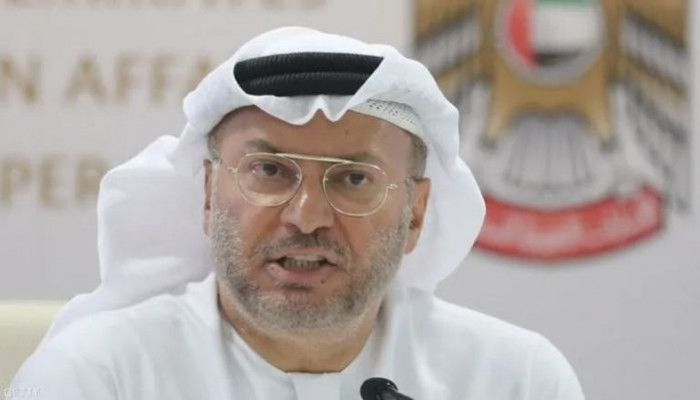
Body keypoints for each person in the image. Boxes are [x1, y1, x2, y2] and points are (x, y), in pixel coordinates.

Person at [11, 27, 585, 399]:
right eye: (270, 171)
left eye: (354, 179)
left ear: (415, 214)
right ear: (209, 194)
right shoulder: (96, 378)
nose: (307, 217)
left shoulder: (515, 380)